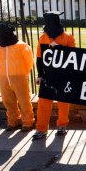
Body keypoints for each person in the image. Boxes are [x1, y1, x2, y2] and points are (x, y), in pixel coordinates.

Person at [32, 11, 76, 140]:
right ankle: (41, 129)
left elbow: (73, 57)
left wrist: (58, 48)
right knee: (43, 103)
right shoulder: (43, 37)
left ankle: (62, 125)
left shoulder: (68, 37)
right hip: (48, 74)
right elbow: (39, 58)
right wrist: (40, 74)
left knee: (63, 102)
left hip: (63, 74)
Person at [0, 23, 35, 132]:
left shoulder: (22, 46)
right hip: (4, 78)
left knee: (24, 100)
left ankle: (28, 122)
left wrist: (23, 73)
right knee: (7, 101)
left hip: (19, 76)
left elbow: (29, 61)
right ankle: (13, 121)